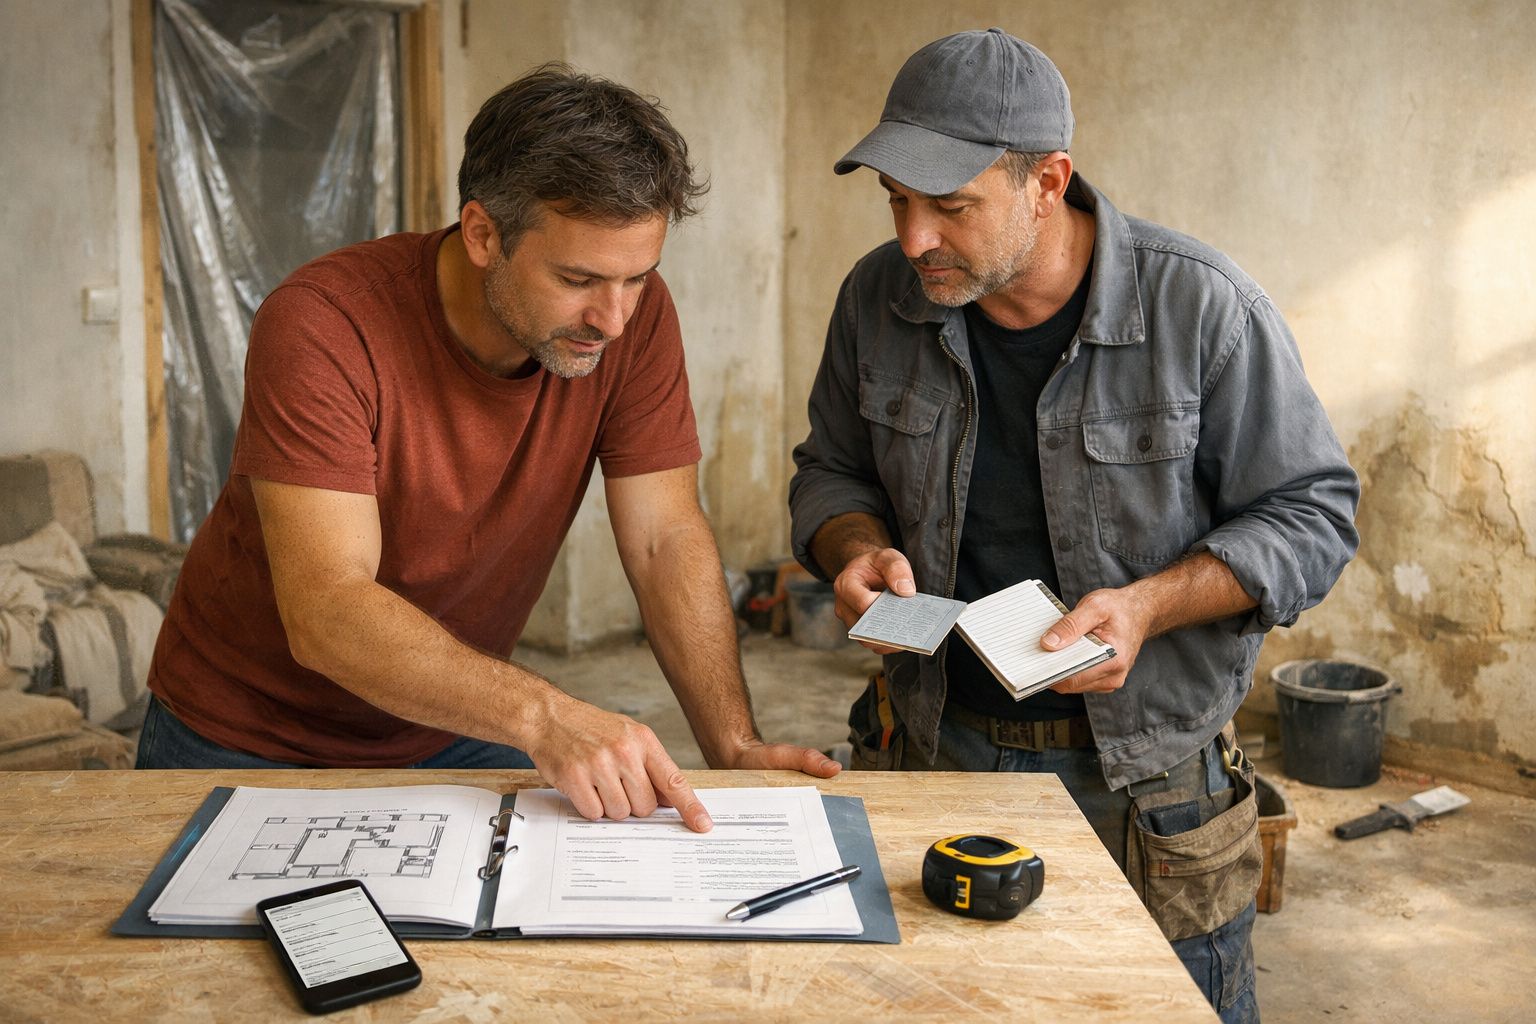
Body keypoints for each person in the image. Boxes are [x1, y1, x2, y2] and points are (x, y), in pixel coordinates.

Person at [789, 29, 1358, 1021]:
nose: (913, 237)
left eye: (950, 205)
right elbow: (831, 471)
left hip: (1144, 781)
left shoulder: (1202, 310)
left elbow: (1312, 515)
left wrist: (1149, 604)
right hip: (935, 747)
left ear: (1048, 180)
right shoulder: (876, 300)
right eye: (896, 201)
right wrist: (852, 547)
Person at [138, 63, 840, 831]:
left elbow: (665, 537)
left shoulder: (629, 320)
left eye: (638, 277)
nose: (611, 317)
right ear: (482, 234)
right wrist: (544, 717)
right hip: (246, 737)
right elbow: (328, 607)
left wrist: (733, 744)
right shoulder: (323, 325)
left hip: (450, 728)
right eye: (578, 277)